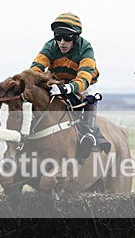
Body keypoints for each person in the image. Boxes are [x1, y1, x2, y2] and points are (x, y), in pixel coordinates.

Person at [29, 13, 111, 154]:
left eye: (67, 38)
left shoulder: (86, 48)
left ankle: (88, 132)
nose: (62, 42)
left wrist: (65, 88)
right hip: (57, 79)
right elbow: (35, 69)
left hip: (83, 84)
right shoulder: (50, 46)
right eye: (58, 37)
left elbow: (84, 79)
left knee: (91, 96)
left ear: (76, 37)